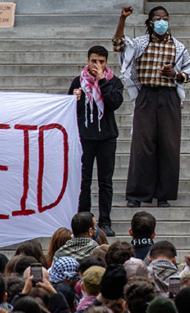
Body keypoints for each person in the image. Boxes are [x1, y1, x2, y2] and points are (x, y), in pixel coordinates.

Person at [113, 5, 190, 208]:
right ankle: (137, 194)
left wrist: (175, 75)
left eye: (165, 18)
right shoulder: (140, 44)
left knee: (169, 145)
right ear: (150, 23)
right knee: (142, 145)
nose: (162, 22)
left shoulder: (178, 47)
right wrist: (122, 19)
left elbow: (189, 74)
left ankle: (164, 195)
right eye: (158, 18)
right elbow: (118, 45)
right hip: (147, 96)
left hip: (169, 98)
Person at [70, 45, 125, 237]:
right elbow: (69, 110)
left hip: (106, 138)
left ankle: (105, 222)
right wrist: (74, 99)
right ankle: (83, 222)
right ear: (87, 61)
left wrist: (102, 80)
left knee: (105, 182)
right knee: (84, 182)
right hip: (84, 138)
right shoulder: (78, 81)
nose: (97, 65)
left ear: (106, 62)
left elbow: (114, 102)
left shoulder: (114, 82)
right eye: (94, 61)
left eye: (101, 62)